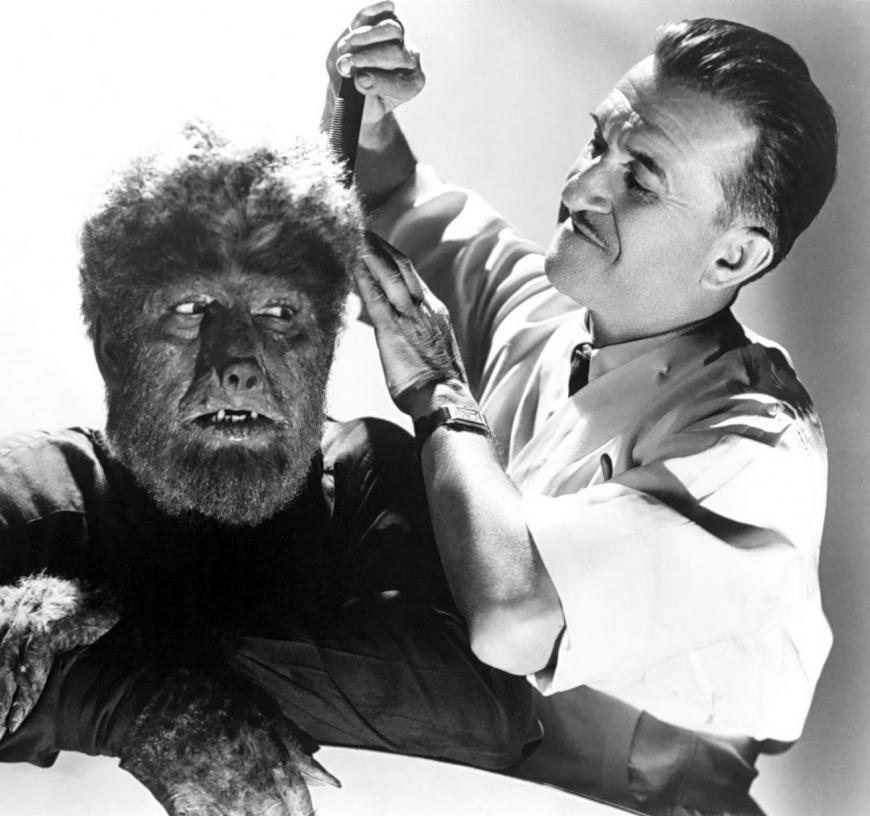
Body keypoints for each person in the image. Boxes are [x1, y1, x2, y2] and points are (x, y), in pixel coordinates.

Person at [0, 124, 537, 816]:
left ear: (324, 350)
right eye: (191, 309)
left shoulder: (368, 474)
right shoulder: (31, 494)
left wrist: (120, 651)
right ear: (113, 349)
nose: (238, 362)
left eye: (280, 313)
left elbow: (484, 710)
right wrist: (118, 702)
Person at [330, 3, 837, 814]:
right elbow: (390, 198)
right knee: (339, 472)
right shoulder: (555, 315)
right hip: (488, 743)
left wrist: (442, 394)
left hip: (636, 793)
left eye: (639, 179)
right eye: (599, 143)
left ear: (734, 255)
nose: (578, 187)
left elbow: (513, 618)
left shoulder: (753, 443)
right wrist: (365, 107)